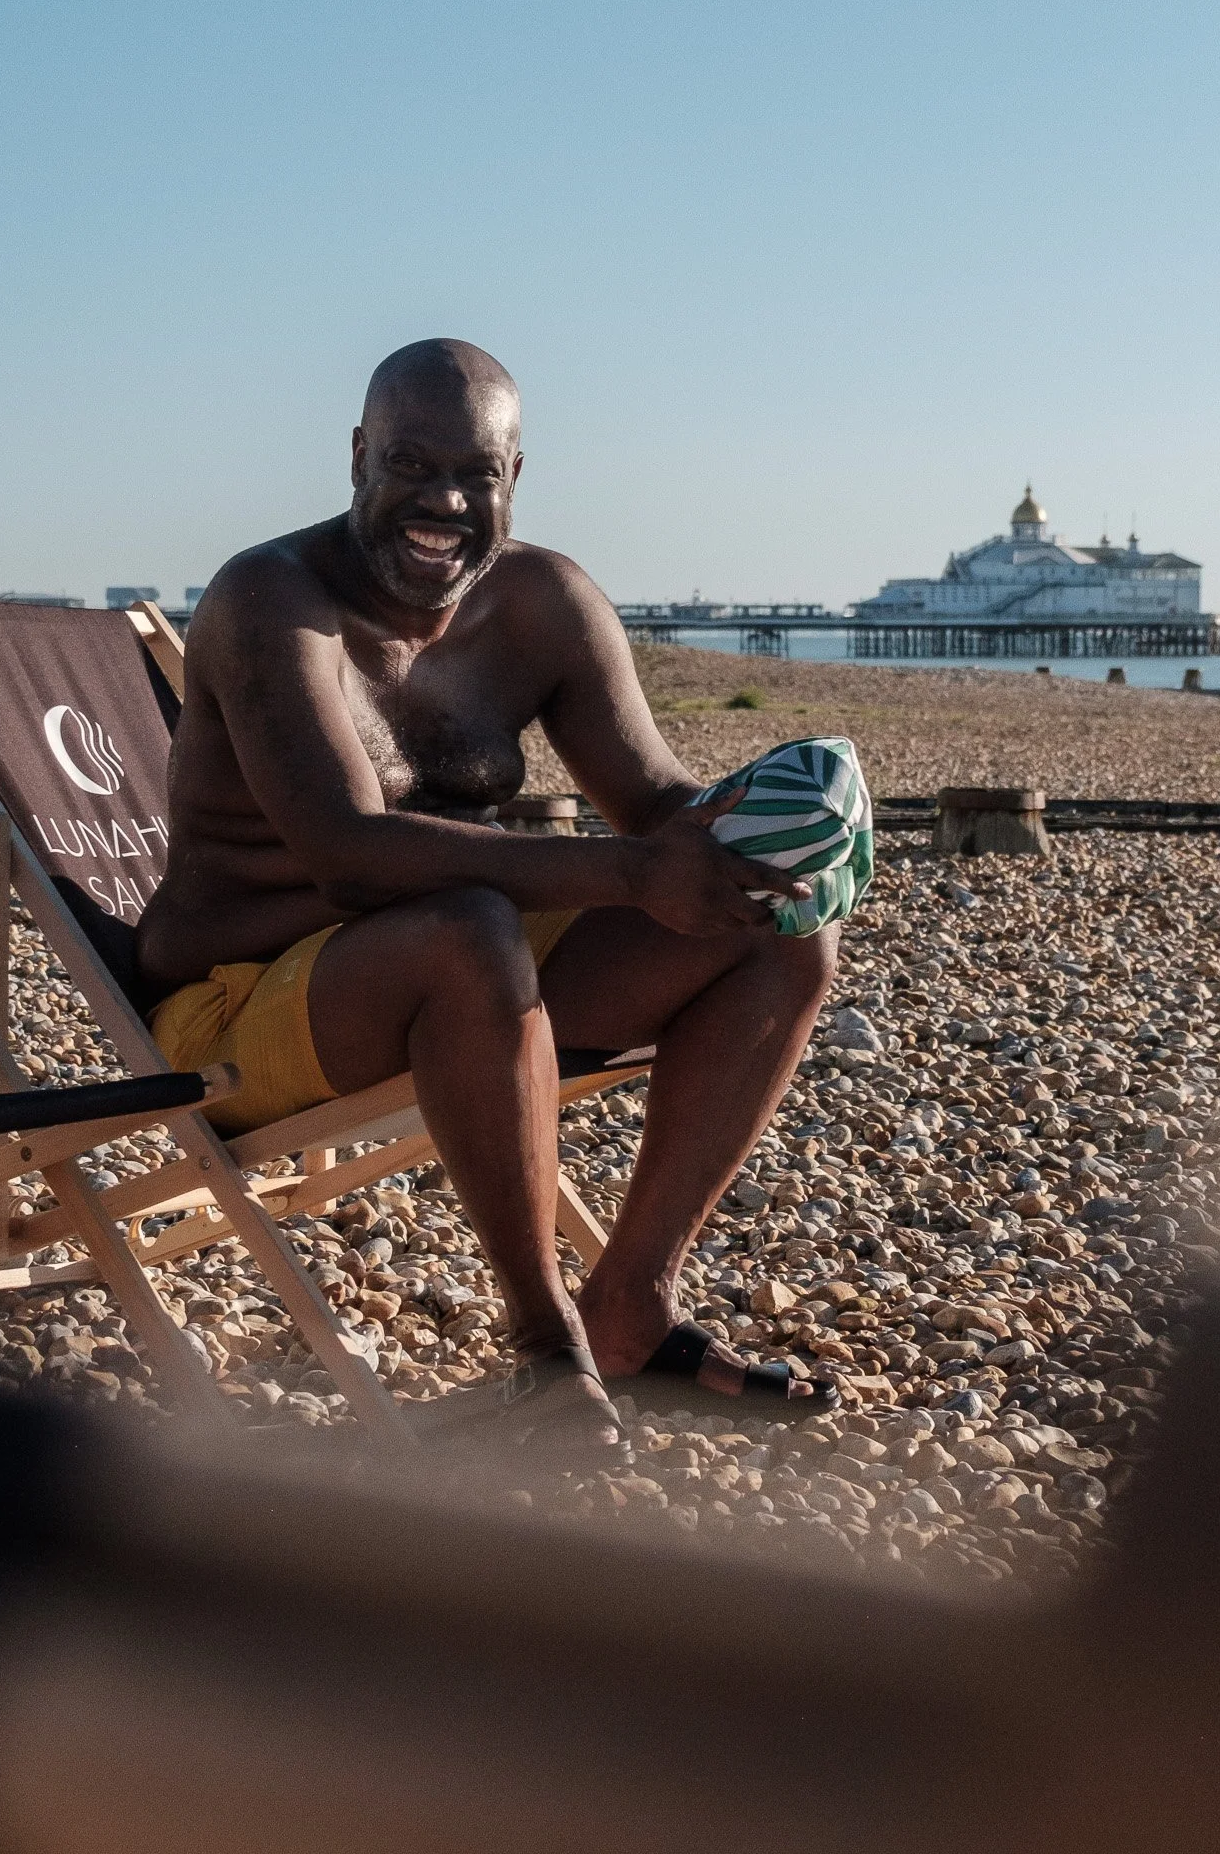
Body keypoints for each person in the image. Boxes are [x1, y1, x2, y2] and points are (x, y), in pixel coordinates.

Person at [138, 339, 845, 1447]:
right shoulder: (271, 601)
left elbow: (658, 800)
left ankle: (629, 1308)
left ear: (517, 475)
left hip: (456, 972)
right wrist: (628, 874)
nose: (443, 500)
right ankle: (542, 1351)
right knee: (468, 931)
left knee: (775, 941)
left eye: (475, 474)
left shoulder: (542, 603)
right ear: (358, 455)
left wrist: (771, 837)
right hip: (233, 1007)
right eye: (411, 465)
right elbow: (349, 852)